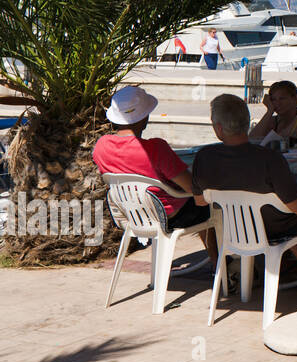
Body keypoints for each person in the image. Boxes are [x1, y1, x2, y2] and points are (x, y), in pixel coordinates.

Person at [192, 94, 297, 295]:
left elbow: (200, 201)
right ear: (247, 124)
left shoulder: (204, 157)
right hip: (275, 227)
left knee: (277, 211)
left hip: (233, 228)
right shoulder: (269, 158)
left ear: (218, 128)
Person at [93, 86, 217, 262]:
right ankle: (219, 265)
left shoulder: (101, 146)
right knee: (210, 205)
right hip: (168, 216)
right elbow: (191, 186)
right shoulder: (156, 149)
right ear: (144, 119)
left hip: (132, 215)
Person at [250, 80, 297, 145]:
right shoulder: (273, 121)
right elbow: (252, 140)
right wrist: (269, 112)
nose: (278, 103)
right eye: (273, 100)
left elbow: (282, 138)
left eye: (282, 99)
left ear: (294, 98)